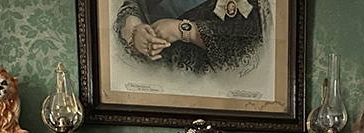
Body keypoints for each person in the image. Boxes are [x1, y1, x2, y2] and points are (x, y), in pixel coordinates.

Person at [114, 0, 268, 75]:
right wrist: (135, 29)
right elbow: (133, 5)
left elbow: (246, 45)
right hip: (151, 83)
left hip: (204, 89)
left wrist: (182, 30)